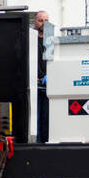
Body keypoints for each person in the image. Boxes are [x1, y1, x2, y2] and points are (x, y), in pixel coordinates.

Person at [33, 10, 49, 143]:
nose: (44, 23)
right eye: (41, 20)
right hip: (34, 86)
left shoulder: (51, 40)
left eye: (46, 20)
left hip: (48, 86)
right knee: (35, 118)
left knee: (46, 118)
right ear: (35, 22)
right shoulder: (30, 39)